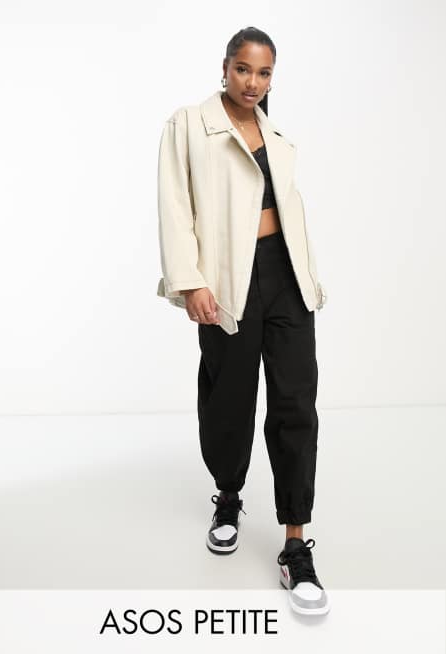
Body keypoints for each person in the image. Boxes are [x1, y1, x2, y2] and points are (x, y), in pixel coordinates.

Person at [156, 26, 330, 616]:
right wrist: (190, 280)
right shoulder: (189, 124)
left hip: (286, 275)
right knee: (228, 395)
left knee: (296, 403)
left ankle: (295, 541)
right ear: (225, 68)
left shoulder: (275, 135)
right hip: (228, 278)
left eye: (264, 73)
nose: (253, 82)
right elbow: (175, 205)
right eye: (243, 69)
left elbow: (291, 209)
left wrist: (308, 276)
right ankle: (228, 495)